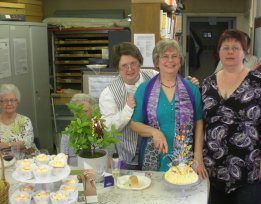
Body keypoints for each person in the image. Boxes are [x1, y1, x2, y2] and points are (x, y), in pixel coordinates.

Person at [201, 29, 261, 204]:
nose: (230, 52)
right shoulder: (206, 85)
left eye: (235, 48)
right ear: (218, 52)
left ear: (244, 53)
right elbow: (201, 123)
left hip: (250, 169)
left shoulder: (260, 84)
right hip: (214, 169)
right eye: (225, 48)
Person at [99, 42, 199, 170]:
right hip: (126, 156)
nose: (130, 69)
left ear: (139, 62)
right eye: (124, 65)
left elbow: (170, 78)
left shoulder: (151, 76)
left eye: (133, 63)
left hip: (156, 151)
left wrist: (189, 82)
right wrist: (127, 110)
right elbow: (107, 127)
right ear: (117, 68)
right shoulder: (108, 93)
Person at [130, 39, 208, 179]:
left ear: (180, 60)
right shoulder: (144, 89)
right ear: (157, 61)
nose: (170, 60)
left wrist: (198, 157)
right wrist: (154, 132)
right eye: (165, 56)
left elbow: (199, 123)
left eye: (174, 56)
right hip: (155, 159)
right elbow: (134, 123)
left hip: (186, 159)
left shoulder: (192, 89)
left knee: (184, 196)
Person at [0, 83, 38, 158]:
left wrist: (6, 145)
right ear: (0, 103)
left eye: (12, 100)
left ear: (17, 102)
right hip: (2, 164)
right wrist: (16, 144)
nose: (9, 103)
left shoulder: (25, 121)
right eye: (5, 101)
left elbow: (27, 143)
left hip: (24, 163)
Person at [60, 93, 95, 166]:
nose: (82, 114)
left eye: (85, 111)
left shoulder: (99, 129)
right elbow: (62, 162)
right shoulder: (68, 133)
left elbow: (108, 158)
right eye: (78, 111)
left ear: (92, 111)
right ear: (73, 112)